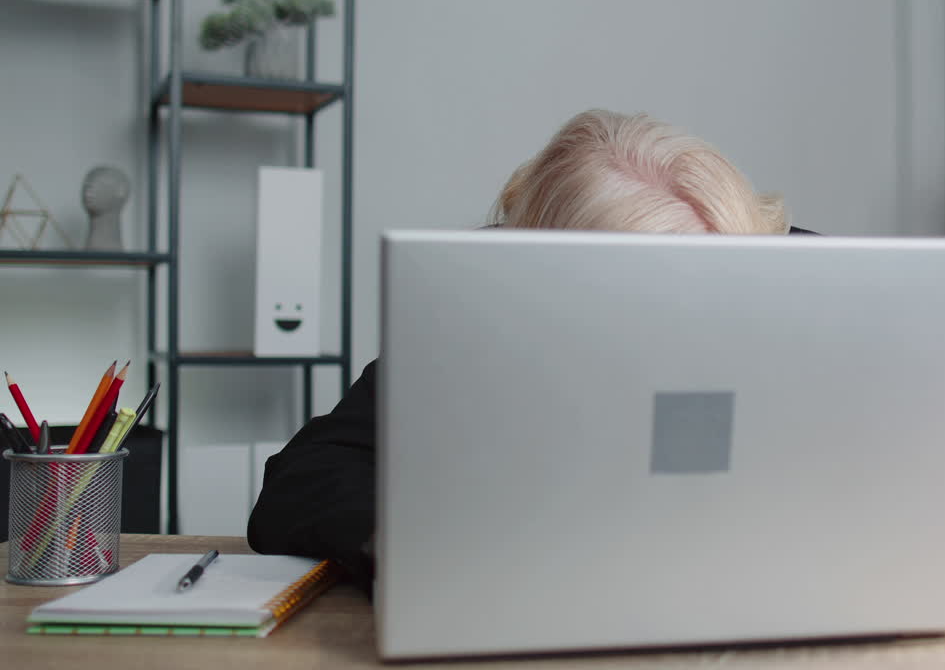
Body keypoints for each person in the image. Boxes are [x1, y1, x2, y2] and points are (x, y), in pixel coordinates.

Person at [248, 109, 793, 595]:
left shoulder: (812, 291)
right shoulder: (472, 325)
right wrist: (409, 542)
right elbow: (301, 481)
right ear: (545, 276)